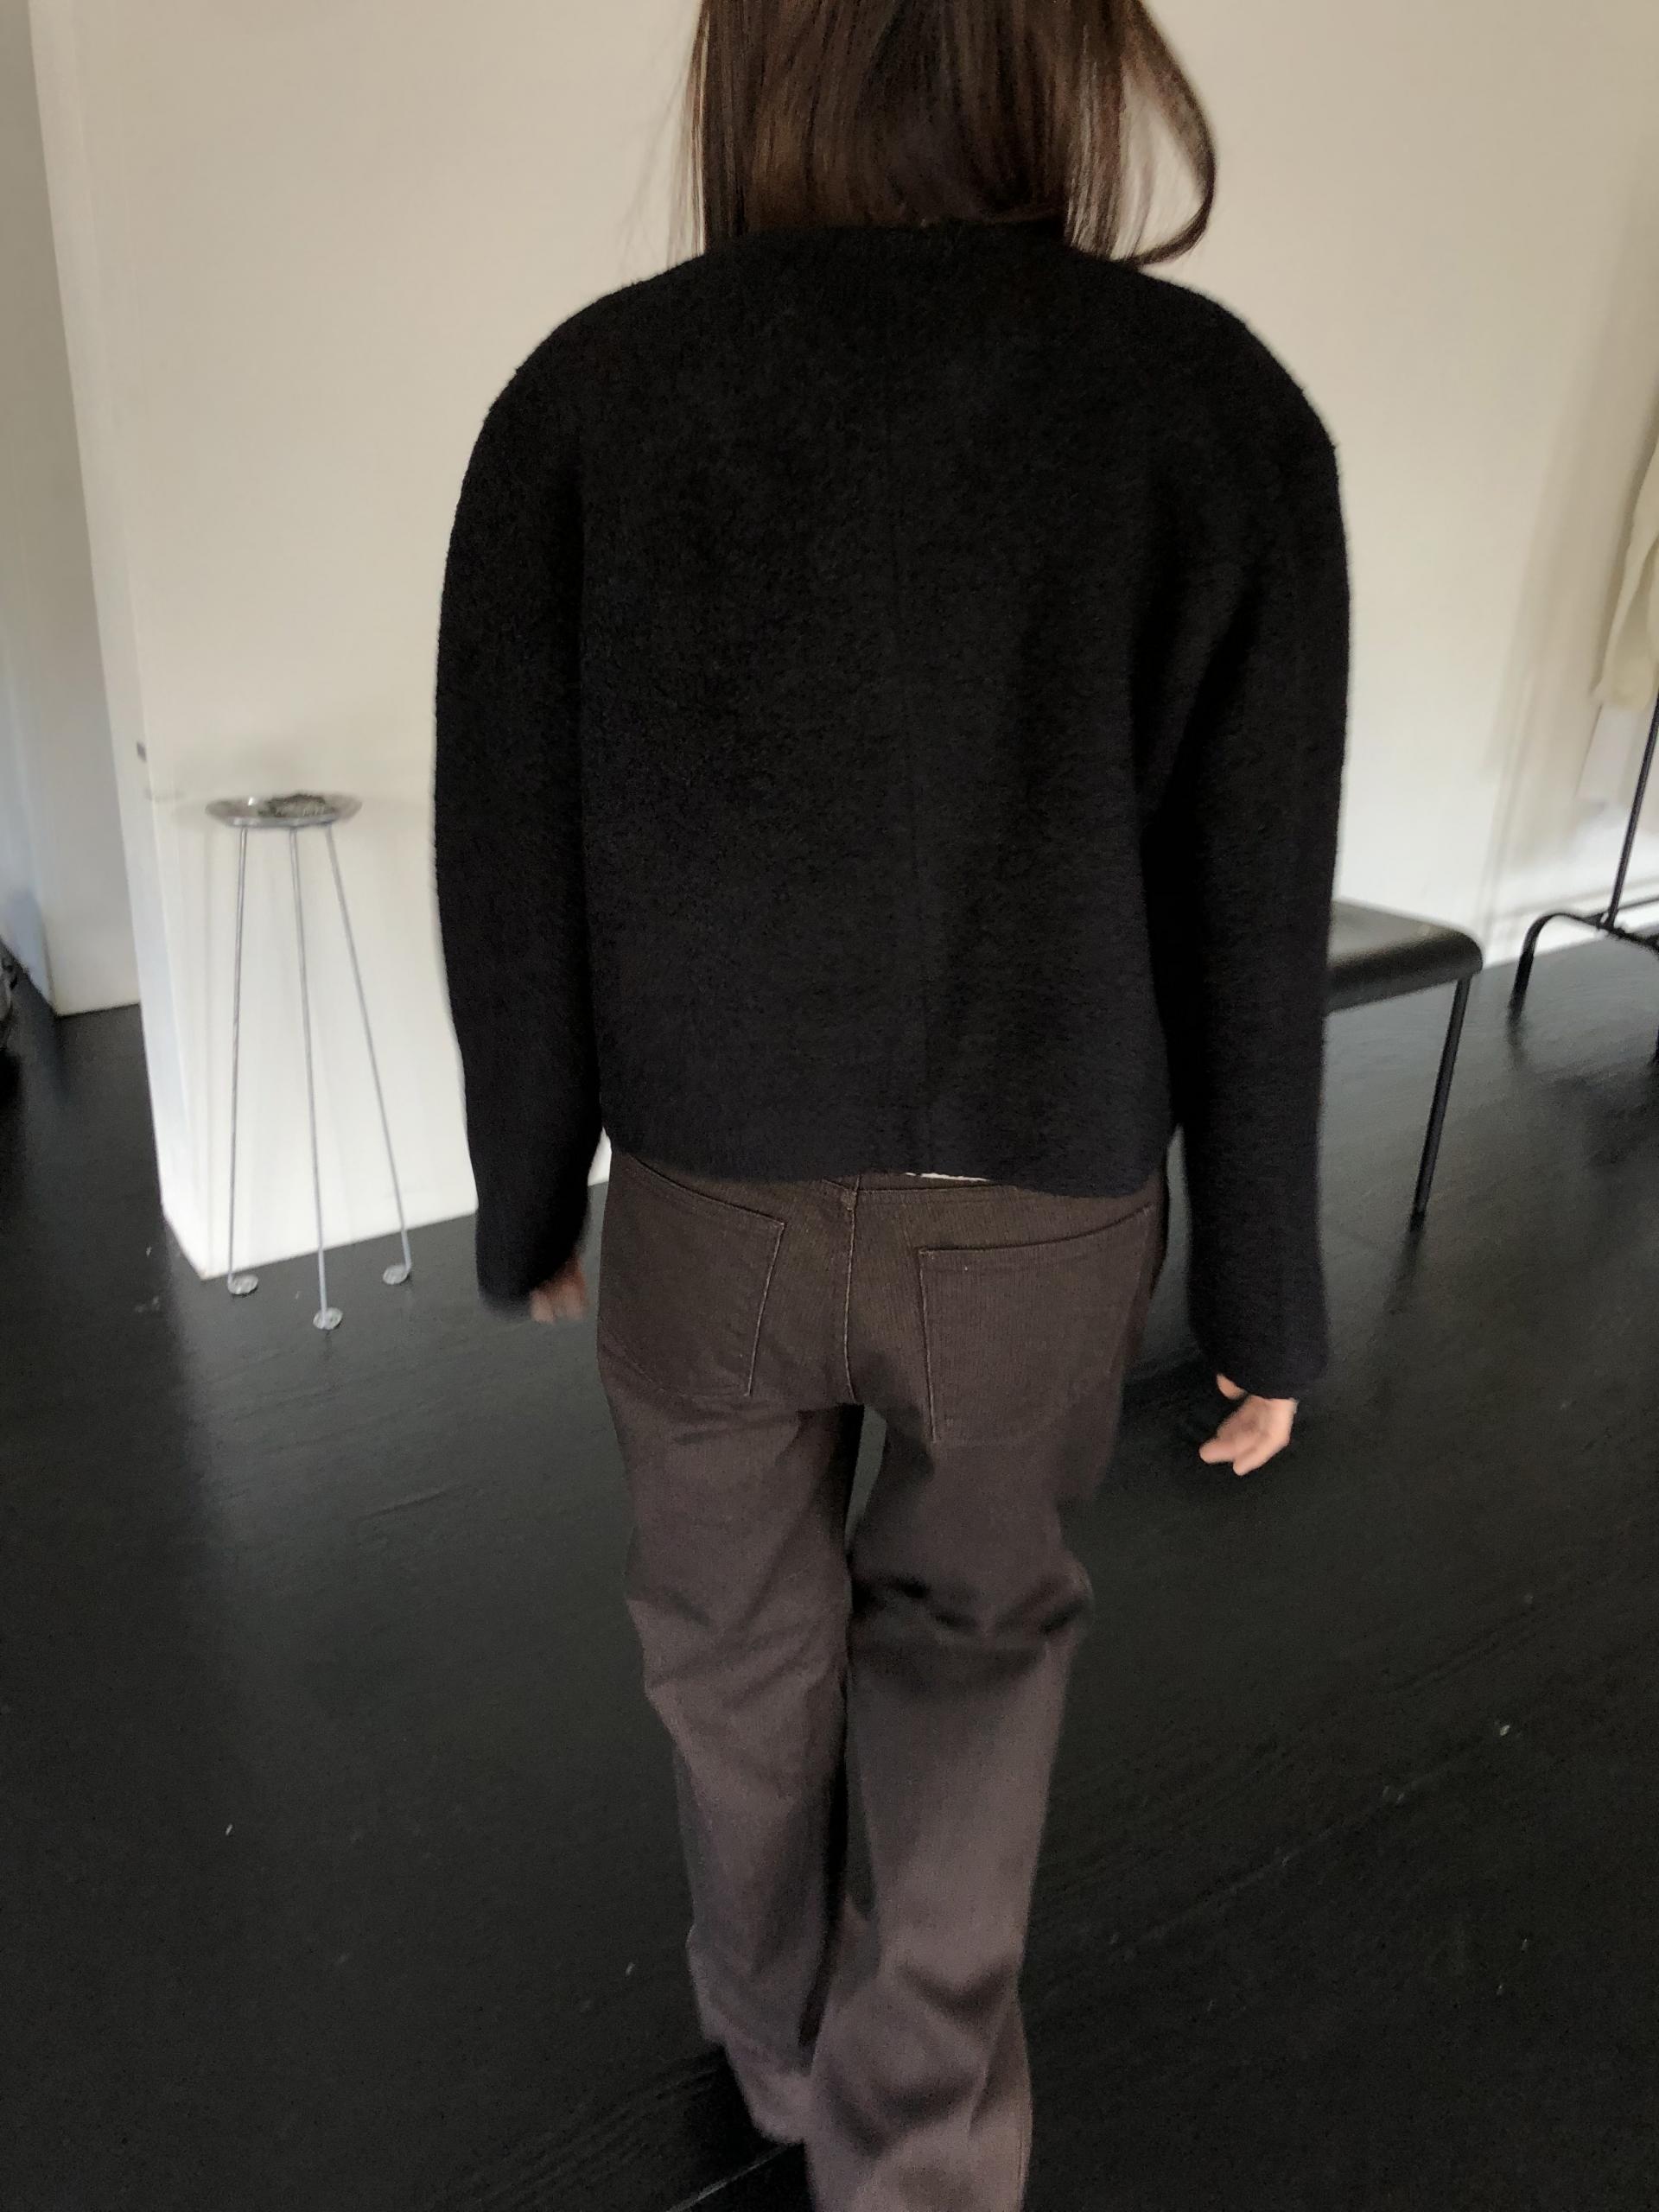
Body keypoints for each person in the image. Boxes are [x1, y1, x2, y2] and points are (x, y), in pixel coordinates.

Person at [434, 1, 1349, 2202]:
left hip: (709, 1208)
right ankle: (914, 2139)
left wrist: (526, 1187)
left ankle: (768, 2049)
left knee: (728, 1650)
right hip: (1042, 1218)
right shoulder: (1210, 406)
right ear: (1069, 58)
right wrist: (1264, 1302)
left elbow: (507, 853)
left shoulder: (591, 396)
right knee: (976, 1644)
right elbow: (1251, 898)